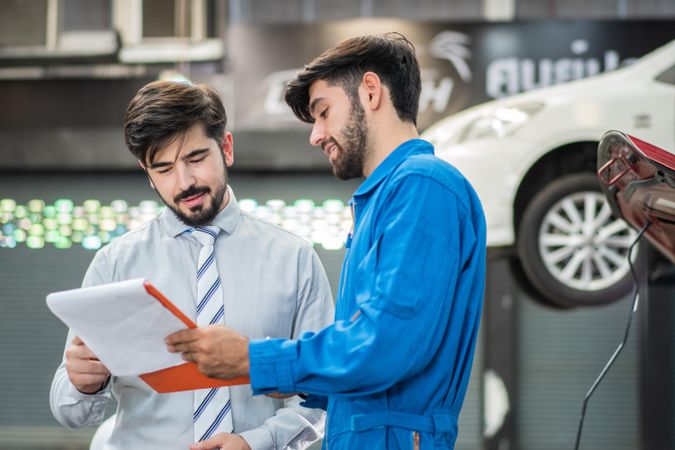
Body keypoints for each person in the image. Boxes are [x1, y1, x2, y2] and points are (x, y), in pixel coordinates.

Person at [166, 33, 486, 450]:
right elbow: (371, 368)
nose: (316, 135)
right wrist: (294, 384)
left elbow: (385, 348)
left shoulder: (422, 186)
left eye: (322, 112)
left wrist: (255, 358)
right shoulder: (385, 199)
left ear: (370, 91)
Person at [50, 80, 335, 450]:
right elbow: (70, 410)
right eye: (163, 168)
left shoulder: (294, 259)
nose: (184, 182)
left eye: (196, 159)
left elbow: (321, 395)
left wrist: (257, 442)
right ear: (146, 172)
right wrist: (83, 381)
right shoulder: (115, 264)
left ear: (226, 148)